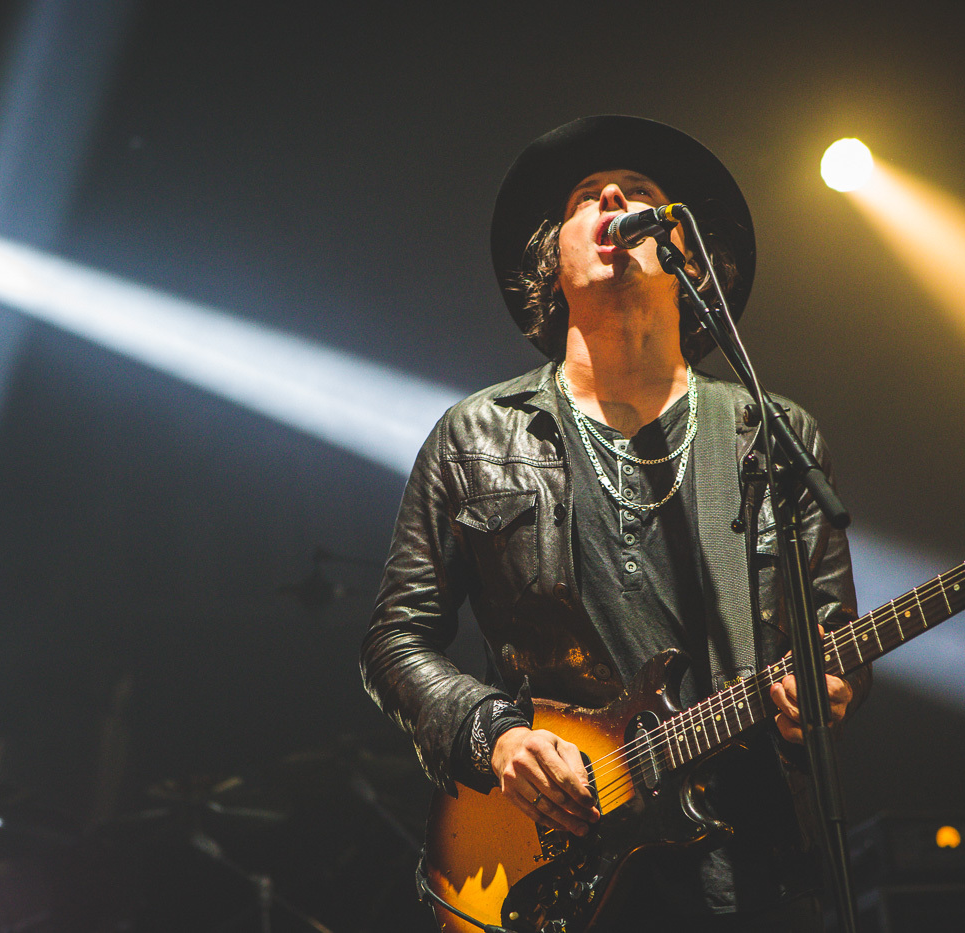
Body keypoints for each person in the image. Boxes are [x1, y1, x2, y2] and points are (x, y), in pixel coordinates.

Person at [361, 115, 870, 932]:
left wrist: (829, 692)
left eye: (640, 194)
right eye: (583, 198)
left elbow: (832, 631)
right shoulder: (477, 436)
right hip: (560, 863)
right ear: (550, 267)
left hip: (748, 868)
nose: (612, 198)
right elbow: (395, 637)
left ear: (688, 257)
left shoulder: (770, 435)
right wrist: (494, 735)